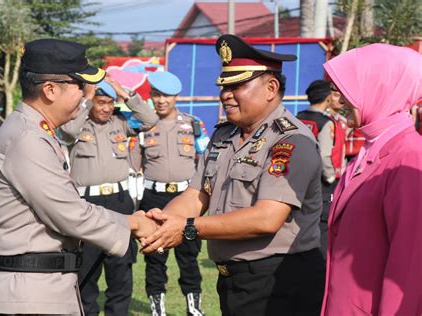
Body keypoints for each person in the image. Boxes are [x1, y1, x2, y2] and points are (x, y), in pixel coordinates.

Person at [141, 34, 326, 315]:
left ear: (271, 88)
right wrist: (163, 223)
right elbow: (196, 194)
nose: (226, 93)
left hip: (279, 280)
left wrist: (187, 229)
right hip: (233, 279)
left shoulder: (290, 141)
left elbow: (267, 218)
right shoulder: (224, 135)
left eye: (237, 85)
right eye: (224, 85)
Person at [0, 38, 157, 316]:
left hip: (40, 290)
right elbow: (69, 213)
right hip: (29, 296)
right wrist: (133, 224)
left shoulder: (35, 131)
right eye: (81, 86)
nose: (86, 94)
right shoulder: (27, 138)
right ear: (50, 90)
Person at [320, 43, 422, 315]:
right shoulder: (369, 151)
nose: (339, 102)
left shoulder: (408, 156)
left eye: (350, 90)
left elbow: (410, 268)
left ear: (380, 87)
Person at [59, 79, 158, 316]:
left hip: (120, 203)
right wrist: (87, 99)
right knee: (87, 272)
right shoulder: (77, 123)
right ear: (92, 101)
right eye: (101, 102)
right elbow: (68, 132)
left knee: (120, 270)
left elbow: (150, 120)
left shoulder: (120, 123)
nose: (106, 108)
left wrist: (125, 93)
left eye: (110, 103)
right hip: (88, 205)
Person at [131, 71, 209, 316]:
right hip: (154, 198)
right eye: (156, 95)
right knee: (155, 256)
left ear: (176, 97)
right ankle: (158, 310)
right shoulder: (141, 127)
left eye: (166, 96)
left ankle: (193, 308)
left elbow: (207, 159)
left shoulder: (193, 124)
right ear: (151, 97)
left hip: (187, 198)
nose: (161, 100)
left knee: (189, 257)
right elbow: (132, 166)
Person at [297, 80, 345, 257]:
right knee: (322, 227)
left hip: (299, 179)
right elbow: (325, 155)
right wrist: (332, 177)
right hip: (321, 184)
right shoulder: (326, 122)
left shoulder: (298, 117)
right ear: (327, 98)